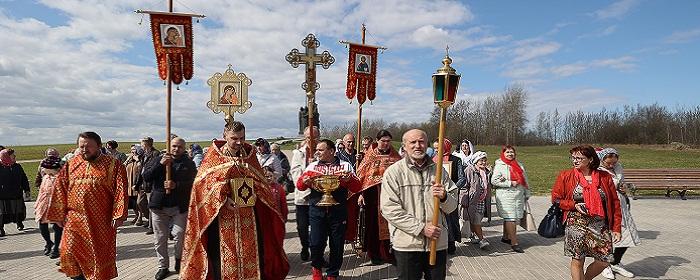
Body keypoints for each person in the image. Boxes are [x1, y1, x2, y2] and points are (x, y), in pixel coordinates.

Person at [180, 121, 288, 280]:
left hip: (249, 218)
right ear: (225, 136)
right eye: (234, 138)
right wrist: (222, 199)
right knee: (222, 262)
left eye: (242, 138)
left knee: (253, 256)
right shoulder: (214, 157)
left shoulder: (249, 156)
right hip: (222, 219)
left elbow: (260, 183)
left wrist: (257, 191)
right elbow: (201, 186)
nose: (239, 142)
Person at [46, 131, 128, 280]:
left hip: (100, 222)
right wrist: (57, 213)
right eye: (81, 146)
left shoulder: (113, 165)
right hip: (74, 221)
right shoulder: (71, 164)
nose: (84, 150)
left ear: (99, 146)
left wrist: (119, 214)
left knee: (97, 259)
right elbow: (60, 188)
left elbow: (121, 190)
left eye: (88, 146)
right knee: (70, 254)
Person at [380, 129, 458, 280]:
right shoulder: (394, 172)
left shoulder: (439, 171)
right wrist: (421, 228)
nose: (418, 145)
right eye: (413, 142)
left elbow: (452, 206)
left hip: (437, 244)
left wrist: (444, 197)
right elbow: (389, 209)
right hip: (407, 244)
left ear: (427, 144)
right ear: (404, 146)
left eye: (421, 142)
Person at [551, 145, 622, 280]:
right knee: (578, 259)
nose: (575, 161)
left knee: (604, 260)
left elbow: (614, 202)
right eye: (573, 158)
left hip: (599, 224)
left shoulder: (604, 176)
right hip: (576, 222)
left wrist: (616, 227)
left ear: (590, 159)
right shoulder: (566, 175)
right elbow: (556, 199)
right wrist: (573, 205)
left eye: (579, 158)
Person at [297, 138, 362, 280]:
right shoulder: (312, 166)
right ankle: (316, 269)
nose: (317, 152)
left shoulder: (345, 166)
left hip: (338, 212)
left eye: (321, 150)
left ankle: (332, 274)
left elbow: (357, 186)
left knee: (337, 244)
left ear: (331, 151)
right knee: (316, 242)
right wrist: (304, 181)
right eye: (317, 150)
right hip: (317, 211)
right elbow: (300, 186)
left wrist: (348, 180)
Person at [143, 137, 197, 279]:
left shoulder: (189, 164)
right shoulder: (158, 159)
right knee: (160, 238)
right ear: (169, 146)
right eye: (174, 146)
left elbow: (194, 183)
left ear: (184, 148)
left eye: (179, 147)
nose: (176, 149)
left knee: (179, 235)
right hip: (159, 206)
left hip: (179, 206)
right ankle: (163, 266)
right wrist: (160, 165)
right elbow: (146, 176)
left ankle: (179, 260)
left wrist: (176, 185)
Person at [346, 129, 402, 265]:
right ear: (377, 141)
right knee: (373, 228)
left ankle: (390, 254)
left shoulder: (395, 157)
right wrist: (361, 194)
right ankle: (375, 254)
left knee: (393, 226)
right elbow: (361, 177)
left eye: (388, 141)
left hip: (392, 198)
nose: (386, 143)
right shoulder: (370, 156)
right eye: (383, 141)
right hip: (373, 197)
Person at [597, 148, 640, 280]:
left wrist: (626, 187)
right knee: (606, 238)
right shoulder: (597, 171)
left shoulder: (618, 168)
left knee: (627, 236)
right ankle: (605, 266)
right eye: (608, 163)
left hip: (621, 205)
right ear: (602, 159)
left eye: (614, 162)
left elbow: (621, 184)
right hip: (605, 206)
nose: (611, 165)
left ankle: (615, 262)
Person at [490, 145, 530, 253]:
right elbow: (494, 181)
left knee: (511, 217)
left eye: (511, 152)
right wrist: (509, 183)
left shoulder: (519, 165)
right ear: (503, 154)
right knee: (510, 218)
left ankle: (505, 237)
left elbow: (524, 180)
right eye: (507, 152)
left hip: (518, 195)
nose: (510, 154)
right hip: (505, 196)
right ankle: (514, 243)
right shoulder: (500, 165)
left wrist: (527, 193)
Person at [290, 126, 319, 262]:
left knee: (318, 228)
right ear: (305, 138)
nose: (312, 140)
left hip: (318, 196)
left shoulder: (321, 152)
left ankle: (316, 252)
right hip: (302, 197)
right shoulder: (299, 153)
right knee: (302, 227)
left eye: (315, 137)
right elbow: (295, 173)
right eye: (309, 138)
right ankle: (304, 246)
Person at [432, 139, 465, 254]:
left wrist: (451, 189)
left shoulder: (456, 160)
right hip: (437, 196)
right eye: (435, 148)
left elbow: (462, 178)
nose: (436, 151)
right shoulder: (432, 161)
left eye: (439, 148)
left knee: (451, 221)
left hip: (449, 194)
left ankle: (451, 244)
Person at [460, 151, 491, 249]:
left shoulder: (486, 172)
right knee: (476, 220)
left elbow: (488, 186)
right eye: (481, 160)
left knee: (476, 220)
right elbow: (464, 186)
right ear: (476, 161)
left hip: (482, 200)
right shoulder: (470, 170)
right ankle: (482, 240)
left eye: (484, 160)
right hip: (471, 200)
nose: (483, 162)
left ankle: (473, 235)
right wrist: (463, 199)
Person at [34, 155, 64, 258]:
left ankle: (56, 248)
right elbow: (42, 191)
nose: (43, 169)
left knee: (57, 226)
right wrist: (37, 204)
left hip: (56, 204)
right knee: (42, 224)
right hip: (44, 203)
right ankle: (48, 242)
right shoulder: (46, 177)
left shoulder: (62, 178)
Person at [0, 148, 30, 237]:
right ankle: (1, 228)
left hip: (16, 194)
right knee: (1, 213)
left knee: (18, 210)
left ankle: (19, 222)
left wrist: (26, 189)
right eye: (13, 155)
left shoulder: (17, 166)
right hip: (2, 195)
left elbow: (23, 178)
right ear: (6, 157)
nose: (15, 156)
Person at [141, 136, 161, 235]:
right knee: (141, 202)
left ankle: (152, 227)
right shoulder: (144, 154)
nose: (141, 145)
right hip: (144, 183)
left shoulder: (155, 153)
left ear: (146, 144)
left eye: (142, 143)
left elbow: (154, 168)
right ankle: (149, 221)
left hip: (151, 184)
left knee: (151, 206)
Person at [124, 144, 145, 226]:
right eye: (132, 149)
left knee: (138, 201)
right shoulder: (129, 159)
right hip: (129, 183)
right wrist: (127, 160)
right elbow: (123, 166)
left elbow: (141, 168)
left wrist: (137, 160)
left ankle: (140, 217)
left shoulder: (141, 159)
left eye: (135, 149)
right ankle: (136, 215)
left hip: (137, 183)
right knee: (132, 202)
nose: (133, 151)